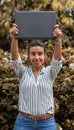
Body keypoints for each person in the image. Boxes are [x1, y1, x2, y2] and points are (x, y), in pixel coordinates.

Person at [9, 23, 63, 130]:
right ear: (29, 56)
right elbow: (15, 60)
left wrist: (58, 40)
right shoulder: (22, 72)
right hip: (23, 123)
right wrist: (14, 38)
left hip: (47, 123)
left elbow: (57, 60)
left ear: (44, 55)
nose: (36, 57)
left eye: (40, 54)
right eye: (33, 54)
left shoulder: (50, 72)